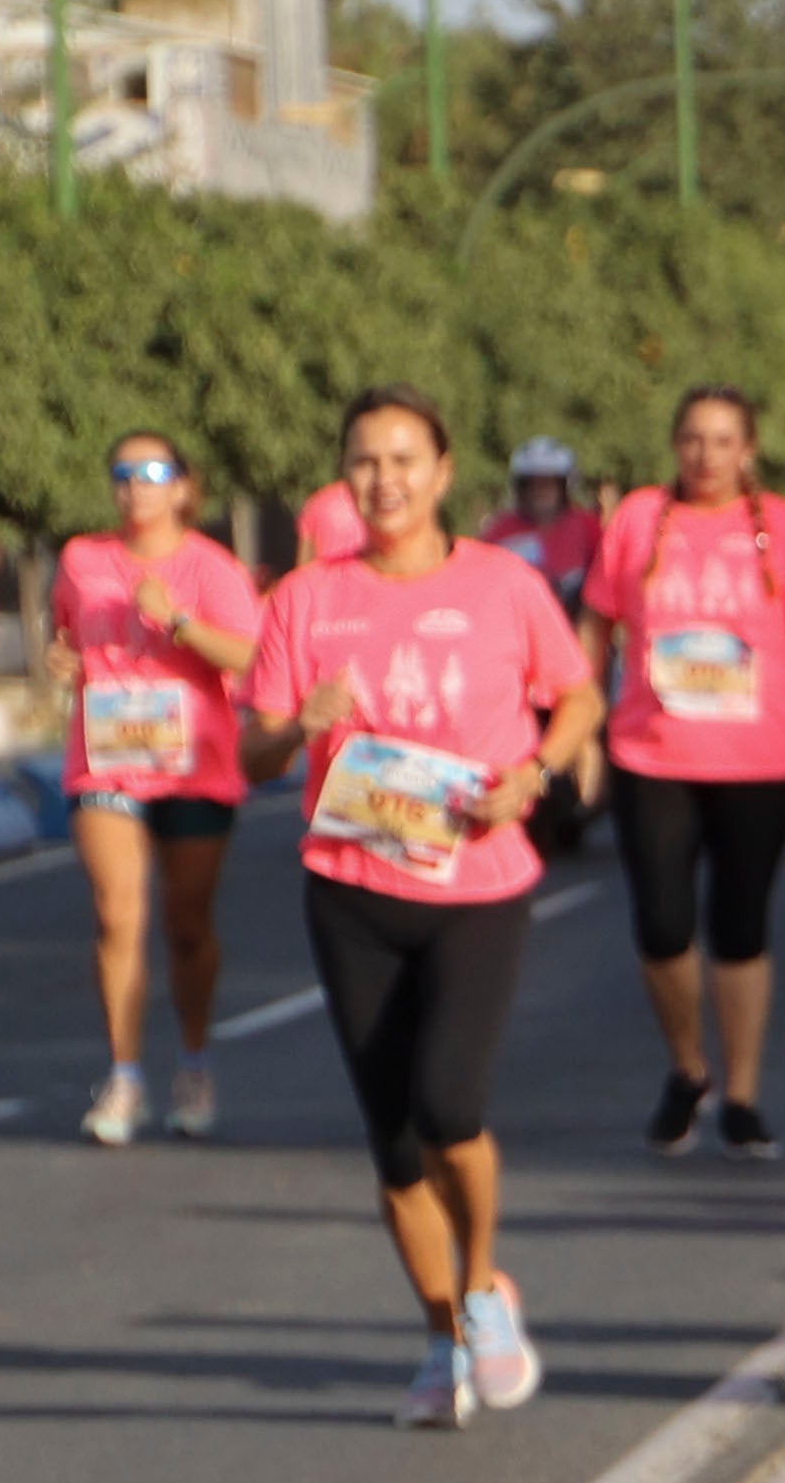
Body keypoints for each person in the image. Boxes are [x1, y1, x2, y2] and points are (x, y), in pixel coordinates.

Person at [238, 388, 603, 1427]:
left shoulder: (503, 584)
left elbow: (575, 693)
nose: (384, 481)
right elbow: (254, 749)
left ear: (444, 473)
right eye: (364, 462)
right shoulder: (306, 599)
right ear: (343, 477)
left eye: (404, 460)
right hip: (351, 887)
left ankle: (482, 1289)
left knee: (450, 1103)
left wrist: (533, 775)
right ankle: (440, 1337)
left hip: (474, 887)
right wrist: (296, 722)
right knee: (395, 1139)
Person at [578, 385, 785, 1161]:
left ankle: (741, 1093)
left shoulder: (784, 529)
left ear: (750, 449)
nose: (706, 455)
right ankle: (686, 1067)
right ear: (675, 445)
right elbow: (596, 625)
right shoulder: (638, 519)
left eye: (723, 440)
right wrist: (580, 729)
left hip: (762, 762)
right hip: (652, 751)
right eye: (692, 439)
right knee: (663, 923)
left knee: (740, 927)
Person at [44, 430, 264, 1148]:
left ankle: (193, 1063)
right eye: (123, 473)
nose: (136, 486)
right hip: (106, 759)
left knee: (187, 925)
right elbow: (67, 632)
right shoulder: (81, 558)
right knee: (117, 913)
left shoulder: (213, 567)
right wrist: (60, 656)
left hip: (193, 762)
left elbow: (252, 655)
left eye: (152, 472)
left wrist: (178, 620)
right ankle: (125, 1073)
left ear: (181, 487)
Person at [477, 438, 598, 611]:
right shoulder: (500, 532)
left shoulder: (587, 527)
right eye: (533, 485)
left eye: (548, 484)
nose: (540, 492)